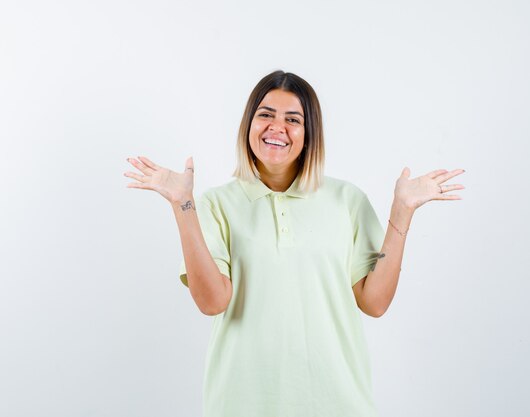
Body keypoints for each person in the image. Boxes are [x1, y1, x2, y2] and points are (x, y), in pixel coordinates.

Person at [123, 70, 465, 417]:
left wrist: (402, 211)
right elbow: (212, 302)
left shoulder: (346, 200)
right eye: (266, 115)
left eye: (293, 119)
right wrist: (183, 204)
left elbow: (374, 302)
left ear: (309, 135)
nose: (277, 128)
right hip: (242, 404)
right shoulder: (215, 204)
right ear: (248, 125)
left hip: (338, 403)